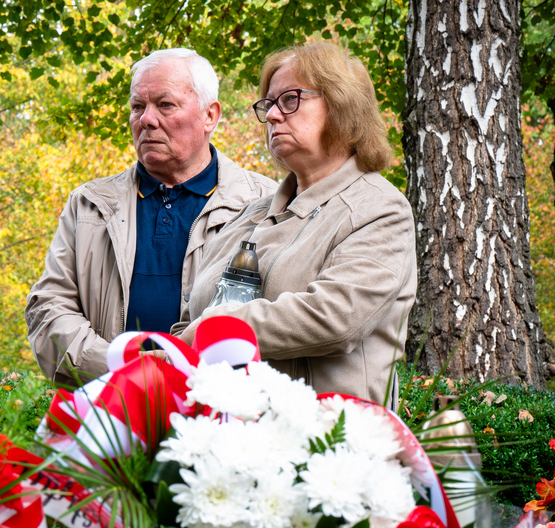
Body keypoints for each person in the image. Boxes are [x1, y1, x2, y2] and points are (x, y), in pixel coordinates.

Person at [175, 41, 417, 405]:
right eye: (269, 104)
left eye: (290, 100)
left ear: (342, 105)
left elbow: (336, 318)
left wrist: (218, 329)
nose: (273, 115)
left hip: (328, 432)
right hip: (220, 429)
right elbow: (188, 322)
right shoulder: (246, 215)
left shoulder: (380, 209)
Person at [26, 49, 276, 385]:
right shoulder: (89, 206)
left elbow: (280, 318)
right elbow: (48, 308)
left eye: (165, 104)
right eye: (137, 106)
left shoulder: (265, 204)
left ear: (210, 116)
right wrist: (119, 370)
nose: (146, 119)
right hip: (109, 405)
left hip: (223, 406)